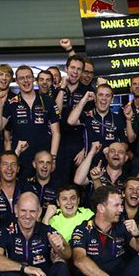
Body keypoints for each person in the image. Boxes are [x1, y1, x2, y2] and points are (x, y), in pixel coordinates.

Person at [0, 65, 60, 173]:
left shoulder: (48, 101)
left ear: (34, 79)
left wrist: (52, 158)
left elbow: (56, 133)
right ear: (16, 82)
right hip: (20, 160)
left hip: (43, 161)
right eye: (21, 78)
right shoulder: (11, 103)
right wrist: (0, 105)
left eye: (28, 77)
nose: (26, 81)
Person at [53, 48, 94, 182]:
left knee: (77, 185)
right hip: (59, 143)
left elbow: (90, 124)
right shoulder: (56, 90)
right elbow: (56, 113)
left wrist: (85, 149)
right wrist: (62, 89)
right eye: (72, 68)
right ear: (66, 68)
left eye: (79, 69)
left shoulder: (88, 92)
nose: (75, 72)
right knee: (59, 183)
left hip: (78, 145)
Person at [0, 150, 22, 230]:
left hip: (22, 240)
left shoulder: (26, 190)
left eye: (13, 164)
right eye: (5, 164)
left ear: (18, 169)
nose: (9, 168)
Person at [18, 150, 62, 215]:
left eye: (48, 163)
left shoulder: (59, 186)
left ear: (52, 166)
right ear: (34, 164)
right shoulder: (25, 184)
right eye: (41, 162)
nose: (45, 166)